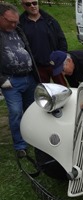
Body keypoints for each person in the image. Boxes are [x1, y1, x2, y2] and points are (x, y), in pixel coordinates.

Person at [0, 2, 40, 158]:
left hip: (29, 78)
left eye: (16, 21)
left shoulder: (17, 30)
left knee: (33, 110)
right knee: (16, 112)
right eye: (10, 21)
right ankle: (20, 145)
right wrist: (1, 80)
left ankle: (35, 137)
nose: (14, 24)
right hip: (11, 82)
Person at [19, 0, 67, 85]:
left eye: (34, 3)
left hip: (55, 62)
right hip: (37, 66)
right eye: (28, 4)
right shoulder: (20, 24)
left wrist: (62, 56)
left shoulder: (50, 20)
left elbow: (61, 39)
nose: (32, 6)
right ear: (23, 5)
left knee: (62, 88)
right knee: (44, 92)